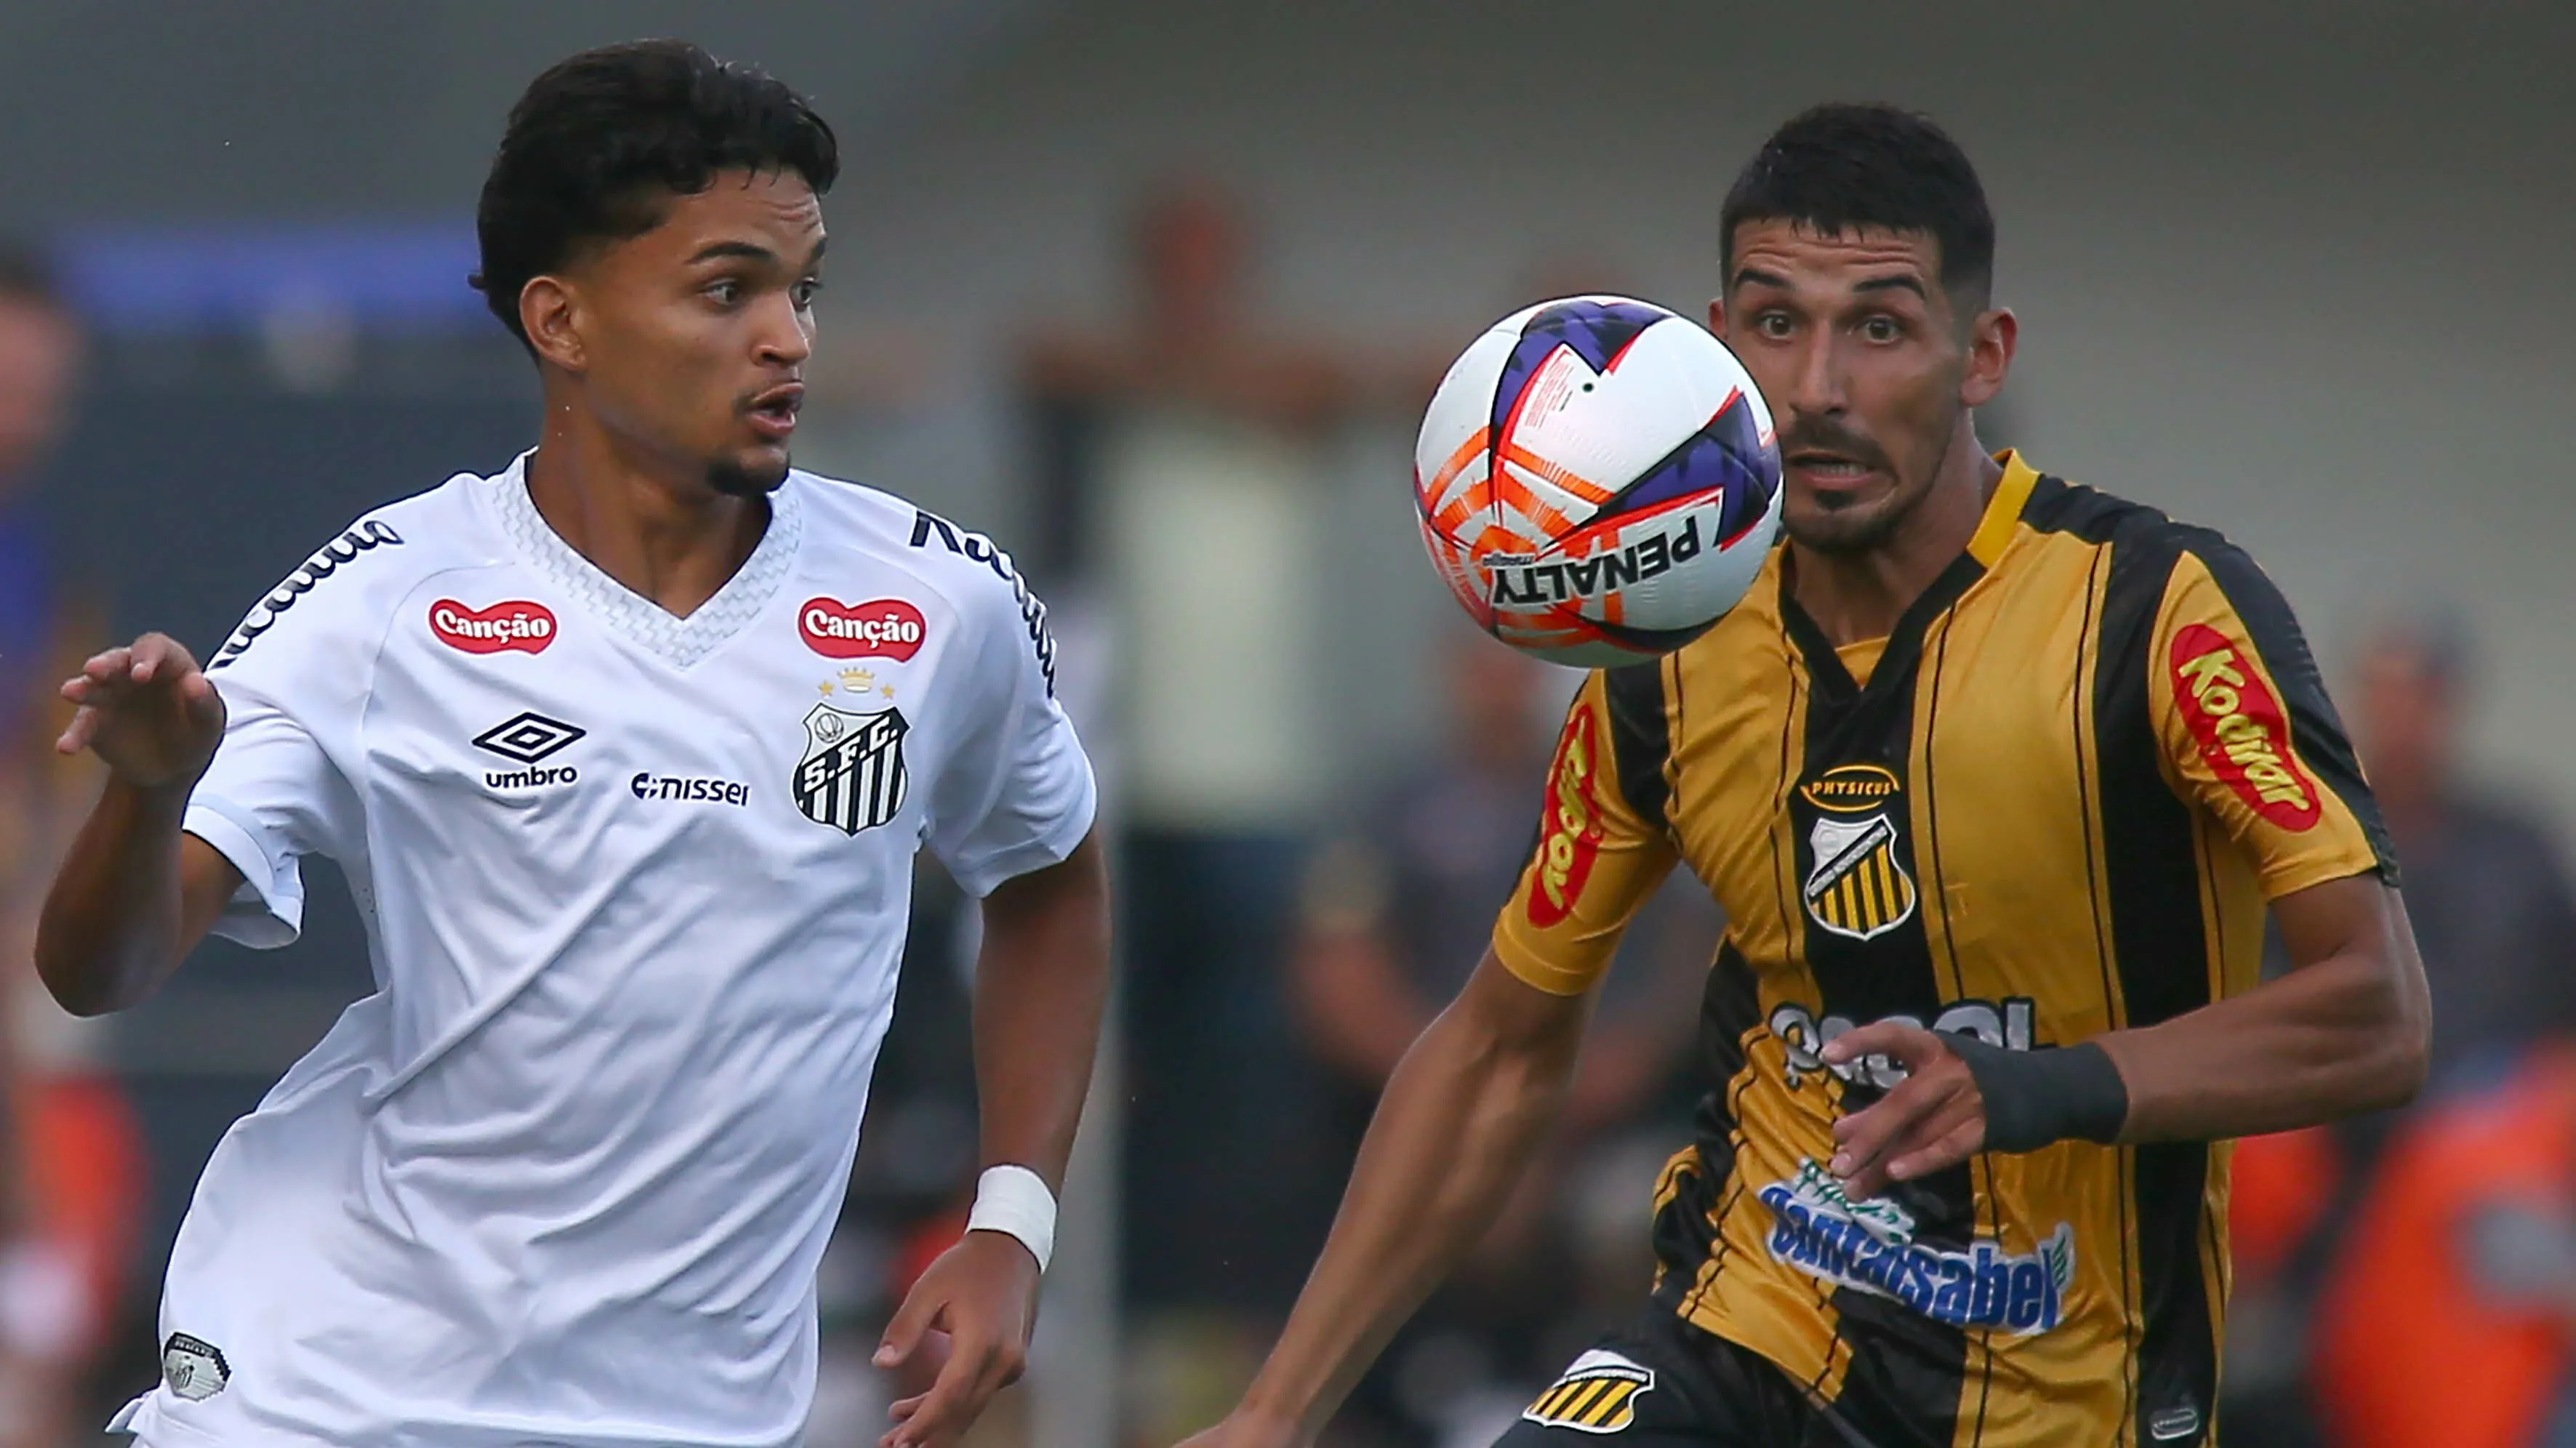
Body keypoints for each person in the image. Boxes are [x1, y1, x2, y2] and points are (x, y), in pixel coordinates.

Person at [1175, 103, 2429, 1448]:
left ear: (1978, 356)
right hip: (1740, 1328)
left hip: (2064, 1395)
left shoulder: (2155, 612)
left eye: (1878, 327)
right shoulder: (1671, 651)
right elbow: (1495, 1045)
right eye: (1773, 325)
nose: (1817, 385)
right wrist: (1272, 1411)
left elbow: (2374, 1012)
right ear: (1717, 342)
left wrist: (2030, 1084)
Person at [36, 41, 1109, 1448]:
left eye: (802, 290)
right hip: (328, 1396)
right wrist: (151, 787)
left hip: (697, 1418)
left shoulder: (939, 606)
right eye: (726, 290)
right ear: (562, 319)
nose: (786, 336)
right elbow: (93, 974)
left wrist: (1010, 1222)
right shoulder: (383, 602)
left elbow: (1046, 880)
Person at [1291, 632, 1717, 1442]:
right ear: (1448, 675)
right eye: (1481, 664)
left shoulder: (1608, 789)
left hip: (1609, 1116)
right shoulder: (1395, 807)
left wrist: (1594, 1082)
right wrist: (1460, 1093)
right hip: (1434, 1101)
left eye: (1517, 666)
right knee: (1387, 1192)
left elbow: (1694, 955)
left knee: (1644, 1209)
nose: (1500, 685)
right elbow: (1336, 972)